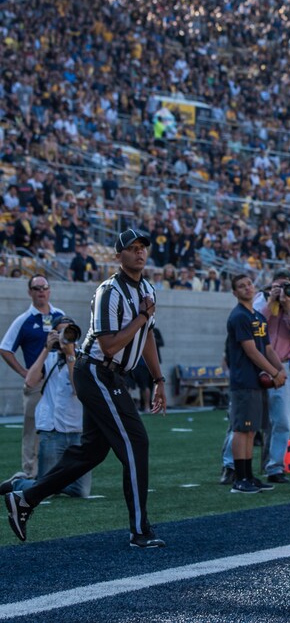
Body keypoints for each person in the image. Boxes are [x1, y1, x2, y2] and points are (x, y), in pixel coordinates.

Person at [5, 228, 168, 548]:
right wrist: (140, 317)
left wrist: (159, 380)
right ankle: (139, 530)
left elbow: (147, 334)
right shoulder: (109, 291)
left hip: (113, 374)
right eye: (132, 248)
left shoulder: (147, 289)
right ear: (117, 255)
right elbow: (109, 345)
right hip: (96, 371)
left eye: (143, 248)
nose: (139, 253)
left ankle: (25, 498)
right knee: (136, 443)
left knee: (90, 452)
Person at [0, 315, 92, 499]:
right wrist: (45, 348)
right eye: (61, 332)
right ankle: (20, 482)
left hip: (77, 430)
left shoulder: (84, 357)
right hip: (51, 431)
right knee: (45, 491)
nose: (65, 336)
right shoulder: (48, 356)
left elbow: (77, 389)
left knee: (80, 491)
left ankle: (48, 484)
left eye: (69, 331)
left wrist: (70, 355)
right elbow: (30, 382)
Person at [225, 274, 285, 494]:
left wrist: (281, 370)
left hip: (256, 383)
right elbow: (251, 350)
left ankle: (249, 475)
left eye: (249, 284)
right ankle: (239, 479)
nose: (246, 288)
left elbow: (267, 348)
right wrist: (273, 372)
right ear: (235, 292)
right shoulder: (239, 316)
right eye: (241, 286)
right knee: (242, 430)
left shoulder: (258, 316)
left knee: (251, 431)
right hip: (244, 381)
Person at [1, 274, 64, 478]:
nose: (41, 292)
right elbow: (5, 348)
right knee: (32, 429)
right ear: (30, 292)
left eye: (44, 287)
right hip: (36, 382)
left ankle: (56, 473)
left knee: (60, 426)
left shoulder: (60, 315)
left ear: (49, 290)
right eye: (36, 288)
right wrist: (23, 372)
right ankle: (30, 473)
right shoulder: (24, 320)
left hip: (58, 380)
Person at [252, 269, 290, 482]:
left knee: (282, 420)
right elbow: (254, 324)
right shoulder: (260, 298)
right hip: (256, 364)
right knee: (246, 419)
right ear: (271, 285)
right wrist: (271, 302)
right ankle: (233, 466)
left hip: (283, 365)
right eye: (278, 286)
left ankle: (275, 467)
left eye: (287, 286)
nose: (283, 291)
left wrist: (287, 308)